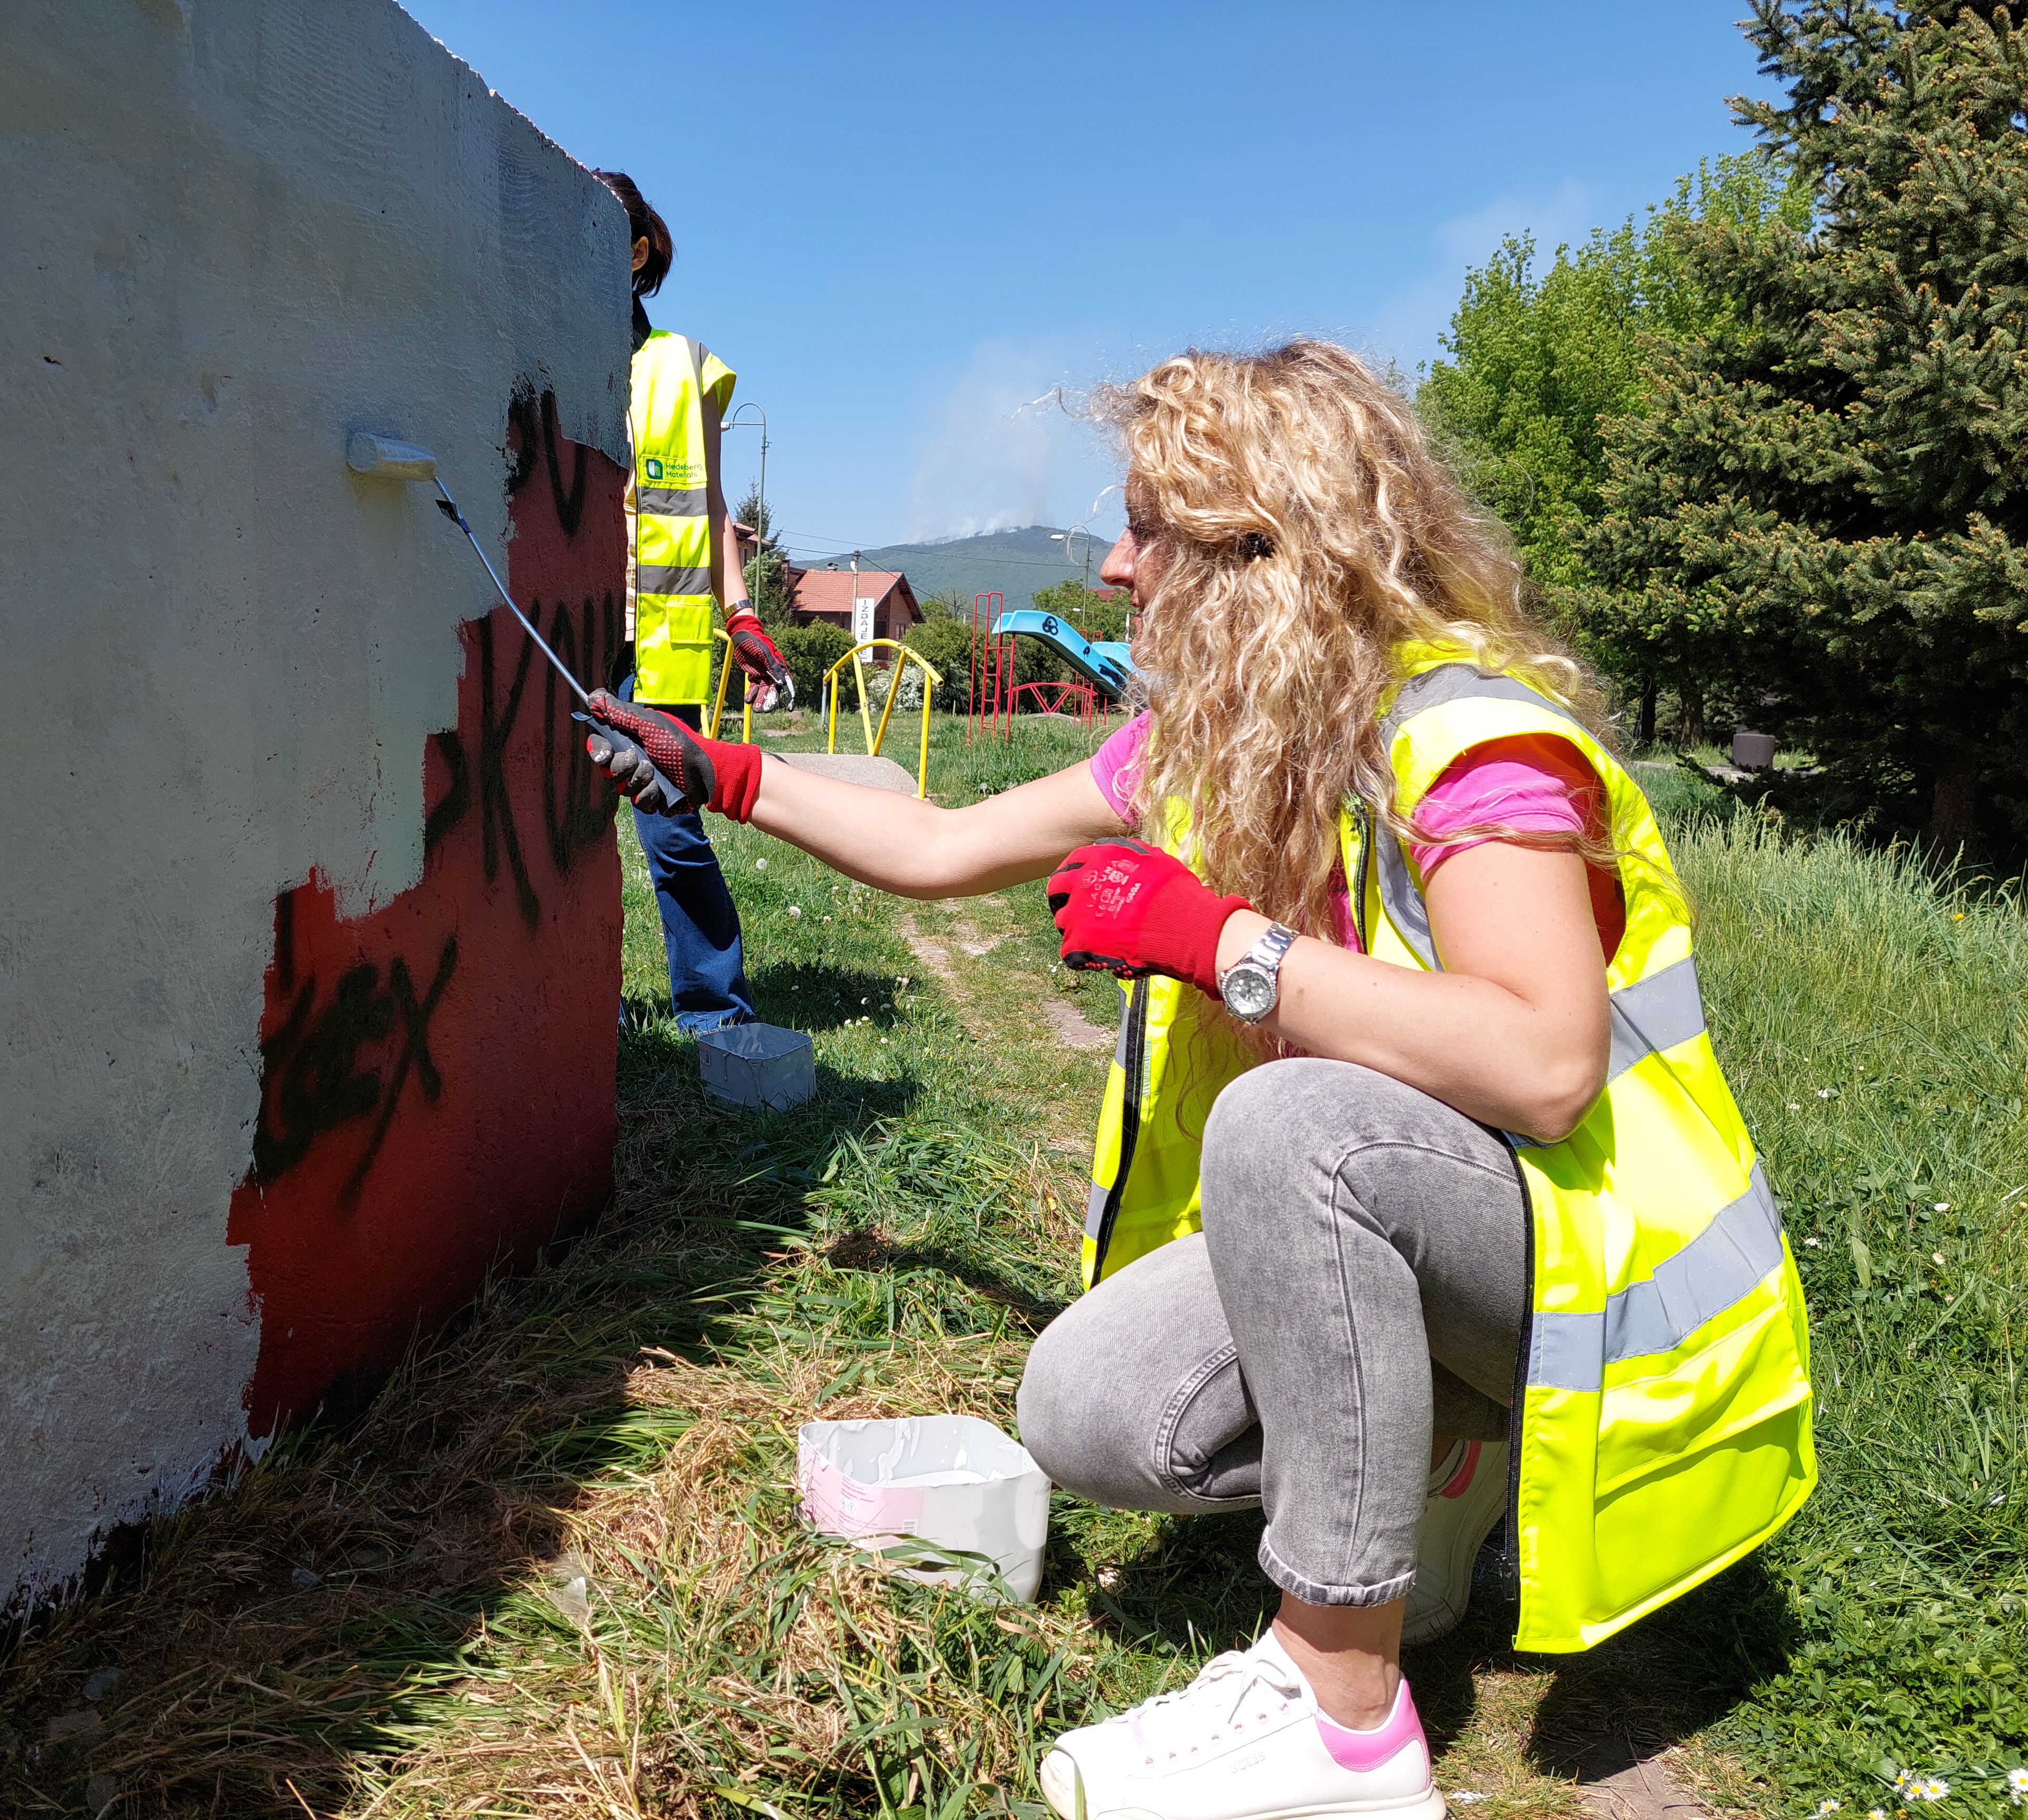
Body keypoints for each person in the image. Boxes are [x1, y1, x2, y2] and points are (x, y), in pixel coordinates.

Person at [583, 342, 1816, 1820]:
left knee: (1293, 1122)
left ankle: (1342, 1717)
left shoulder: (1468, 739)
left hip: (1580, 1268)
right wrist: (715, 775)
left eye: (1149, 527)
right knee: (1083, 1410)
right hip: (1436, 1234)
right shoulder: (1208, 746)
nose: (1115, 566)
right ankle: (1444, 1462)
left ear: (1266, 549)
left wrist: (1224, 943)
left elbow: (1546, 1066)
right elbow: (937, 849)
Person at [593, 171, 789, 1034]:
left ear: (636, 253)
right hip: (562, 622)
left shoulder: (678, 364)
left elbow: (711, 506)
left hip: (657, 641)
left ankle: (715, 1012)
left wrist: (741, 615)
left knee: (670, 831)